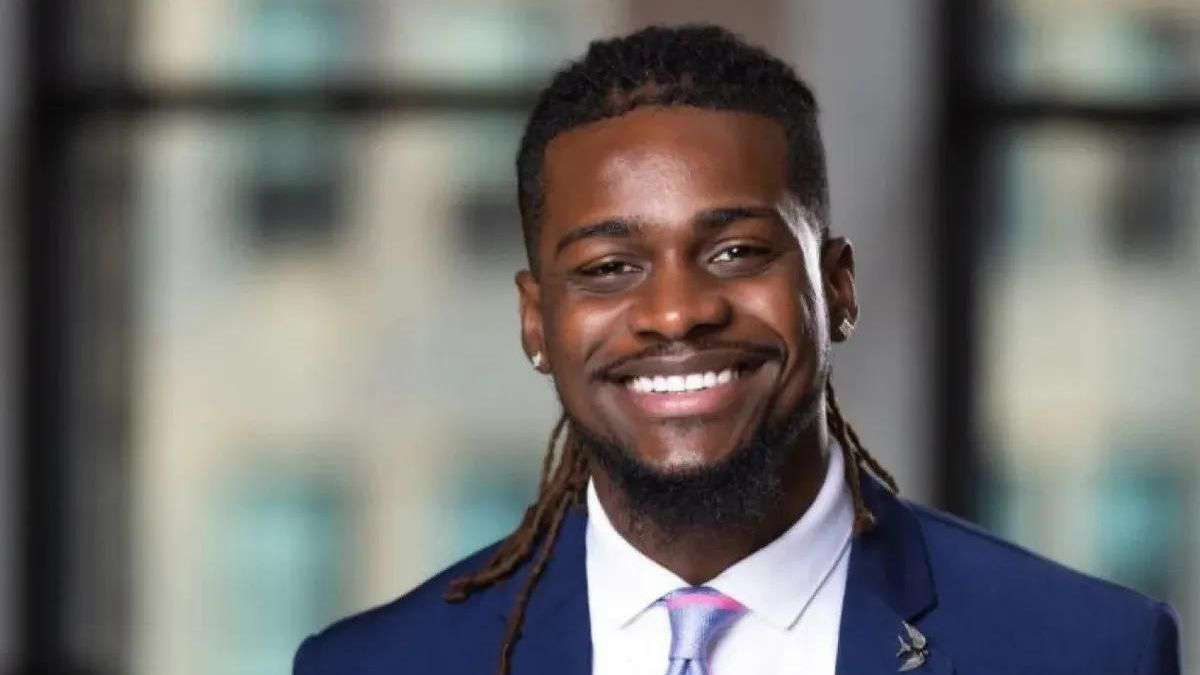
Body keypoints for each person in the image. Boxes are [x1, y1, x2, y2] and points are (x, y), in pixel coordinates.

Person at [293, 24, 1180, 675]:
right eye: (609, 267)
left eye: (736, 252)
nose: (677, 313)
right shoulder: (380, 665)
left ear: (837, 287)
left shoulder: (1085, 650)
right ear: (536, 321)